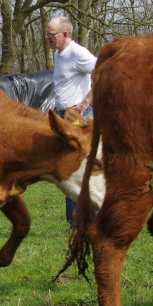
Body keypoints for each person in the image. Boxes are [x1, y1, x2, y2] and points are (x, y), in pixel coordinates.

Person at [46, 16, 96, 226]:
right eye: (47, 33)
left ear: (65, 34)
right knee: (68, 167)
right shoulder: (59, 54)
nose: (47, 37)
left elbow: (103, 73)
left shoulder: (78, 53)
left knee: (76, 166)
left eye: (51, 34)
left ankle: (87, 220)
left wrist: (84, 103)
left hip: (78, 117)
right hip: (64, 116)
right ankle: (76, 220)